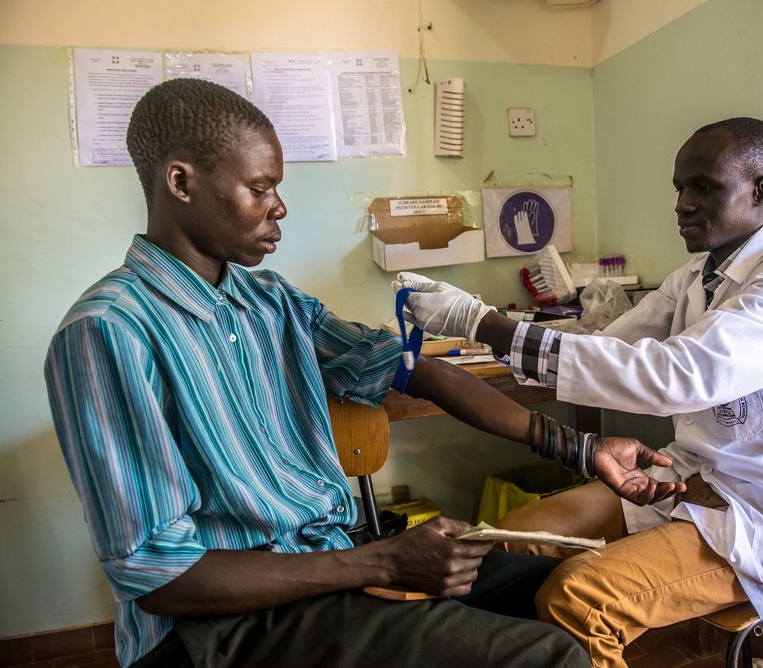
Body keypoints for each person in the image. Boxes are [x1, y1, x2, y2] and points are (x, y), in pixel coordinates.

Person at [43, 77, 684, 668]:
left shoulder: (269, 302)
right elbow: (161, 576)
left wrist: (584, 446)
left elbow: (416, 373)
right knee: (547, 658)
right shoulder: (109, 332)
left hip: (327, 568)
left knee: (561, 587)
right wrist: (378, 560)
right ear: (180, 183)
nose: (280, 208)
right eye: (260, 188)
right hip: (218, 629)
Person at [395, 117, 763, 667]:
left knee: (579, 598)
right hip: (687, 487)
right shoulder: (693, 279)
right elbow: (610, 348)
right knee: (501, 539)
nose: (683, 204)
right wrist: (491, 331)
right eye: (679, 189)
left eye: (703, 187)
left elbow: (675, 377)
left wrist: (484, 323)